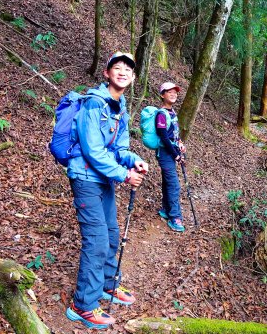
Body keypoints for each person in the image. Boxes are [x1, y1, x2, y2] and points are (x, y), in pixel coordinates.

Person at [65, 51, 149, 330]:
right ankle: (83, 305)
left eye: (128, 69)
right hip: (86, 178)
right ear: (107, 73)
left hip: (103, 179)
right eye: (117, 67)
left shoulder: (119, 106)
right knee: (98, 240)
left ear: (133, 77)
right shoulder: (93, 104)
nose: (123, 71)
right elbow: (92, 150)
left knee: (111, 233)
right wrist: (124, 175)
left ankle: (106, 284)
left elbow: (120, 148)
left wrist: (133, 159)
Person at [155, 82, 187, 232]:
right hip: (166, 154)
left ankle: (166, 209)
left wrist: (180, 143)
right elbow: (163, 137)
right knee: (174, 185)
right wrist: (176, 155)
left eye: (175, 92)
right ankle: (175, 217)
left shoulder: (172, 112)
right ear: (162, 95)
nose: (173, 94)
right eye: (169, 92)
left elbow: (173, 134)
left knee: (168, 182)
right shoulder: (161, 114)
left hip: (172, 152)